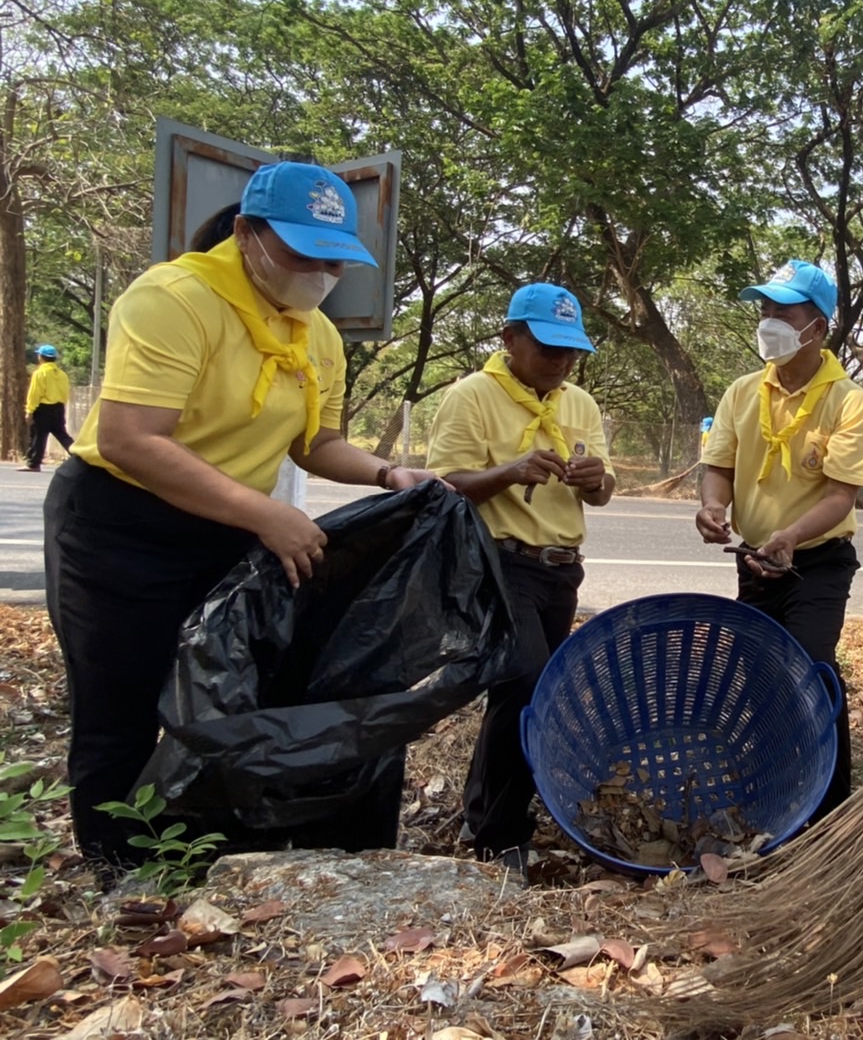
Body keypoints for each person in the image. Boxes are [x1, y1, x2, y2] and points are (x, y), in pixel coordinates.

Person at [44, 162, 443, 874]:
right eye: (300, 252)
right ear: (245, 234)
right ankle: (122, 877)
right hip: (119, 524)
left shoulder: (314, 334)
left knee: (223, 697)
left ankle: (208, 858)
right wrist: (266, 514)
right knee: (123, 703)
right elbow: (130, 439)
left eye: (332, 258)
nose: (318, 272)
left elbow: (315, 443)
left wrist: (387, 473)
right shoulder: (175, 298)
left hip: (225, 525)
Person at [427, 282, 614, 874]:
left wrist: (594, 480)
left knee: (527, 692)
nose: (559, 362)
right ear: (509, 338)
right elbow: (441, 486)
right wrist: (507, 472)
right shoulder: (473, 397)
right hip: (500, 562)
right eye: (547, 347)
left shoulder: (578, 403)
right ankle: (500, 834)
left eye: (569, 351)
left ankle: (483, 810)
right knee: (527, 681)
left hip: (562, 568)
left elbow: (606, 490)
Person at [697, 259, 863, 819]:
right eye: (765, 310)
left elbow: (840, 497)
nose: (768, 321)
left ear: (817, 328)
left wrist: (792, 537)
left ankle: (829, 809)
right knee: (758, 674)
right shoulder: (742, 392)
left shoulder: (850, 402)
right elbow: (719, 464)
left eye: (783, 312)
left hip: (817, 562)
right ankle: (770, 792)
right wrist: (712, 505)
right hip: (754, 558)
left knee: (812, 668)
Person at [22, 345, 73, 471]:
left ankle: (34, 464)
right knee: (62, 435)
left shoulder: (40, 373)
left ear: (41, 357)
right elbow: (66, 392)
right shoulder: (62, 375)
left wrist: (30, 410)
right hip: (58, 407)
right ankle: (80, 457)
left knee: (38, 436)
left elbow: (34, 393)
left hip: (43, 408)